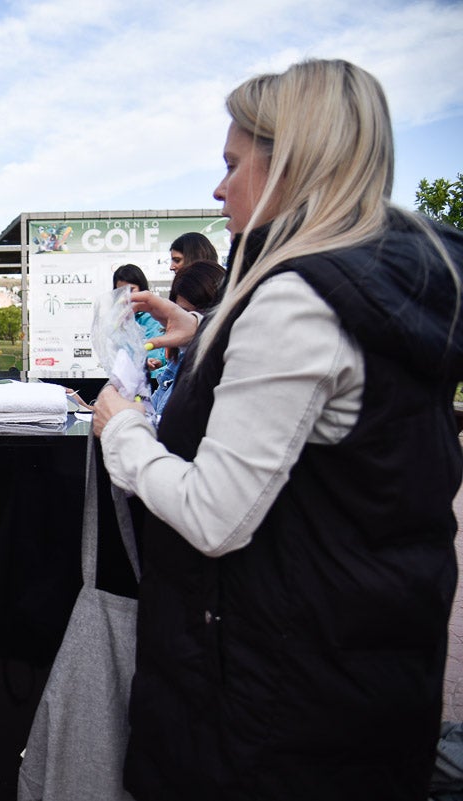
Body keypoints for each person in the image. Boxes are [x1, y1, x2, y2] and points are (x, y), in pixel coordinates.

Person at [92, 59, 463, 800]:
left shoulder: (296, 300)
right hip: (362, 670)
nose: (218, 186)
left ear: (292, 159)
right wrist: (202, 333)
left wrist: (121, 431)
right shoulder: (385, 277)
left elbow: (213, 513)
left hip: (273, 697)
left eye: (233, 163)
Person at [148, 259, 224, 418]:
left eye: (201, 315)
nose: (191, 321)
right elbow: (153, 412)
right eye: (184, 313)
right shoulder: (178, 361)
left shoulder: (222, 371)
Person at [112, 263, 167, 379]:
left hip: (156, 382)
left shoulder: (156, 315)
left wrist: (156, 363)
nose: (127, 296)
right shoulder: (115, 321)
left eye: (131, 290)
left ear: (142, 289)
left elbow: (164, 356)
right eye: (121, 291)